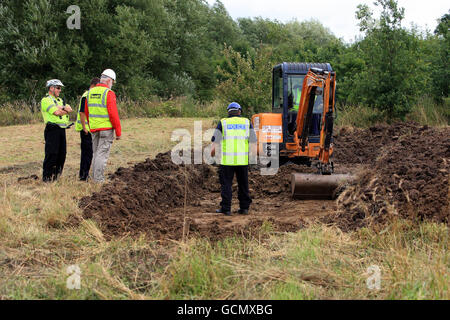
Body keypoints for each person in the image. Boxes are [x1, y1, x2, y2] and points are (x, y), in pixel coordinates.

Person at [210, 102, 257, 216]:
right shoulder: (246, 122)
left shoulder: (223, 122)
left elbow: (215, 142)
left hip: (227, 161)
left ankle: (226, 209)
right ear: (239, 111)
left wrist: (212, 154)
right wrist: (253, 158)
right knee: (243, 184)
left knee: (226, 184)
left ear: (228, 112)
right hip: (242, 161)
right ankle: (244, 208)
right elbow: (253, 142)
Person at [85, 69, 121, 183]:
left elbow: (87, 112)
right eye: (112, 82)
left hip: (94, 129)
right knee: (102, 154)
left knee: (96, 153)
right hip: (106, 130)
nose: (112, 85)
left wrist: (91, 125)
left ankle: (95, 177)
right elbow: (113, 114)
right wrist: (118, 132)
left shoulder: (90, 93)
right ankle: (98, 180)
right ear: (109, 80)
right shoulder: (108, 93)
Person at [41, 79, 73, 182]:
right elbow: (56, 112)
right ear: (51, 88)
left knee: (62, 154)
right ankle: (47, 178)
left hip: (62, 130)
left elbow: (69, 109)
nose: (60, 90)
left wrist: (62, 108)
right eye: (58, 88)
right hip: (52, 129)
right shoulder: (46, 100)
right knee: (51, 154)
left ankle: (56, 177)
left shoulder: (60, 100)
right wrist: (64, 110)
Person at [75, 77, 100, 181]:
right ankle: (83, 176)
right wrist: (85, 128)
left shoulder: (89, 95)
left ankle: (86, 174)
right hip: (86, 130)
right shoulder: (86, 95)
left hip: (90, 129)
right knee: (86, 154)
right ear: (94, 85)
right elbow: (82, 112)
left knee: (90, 153)